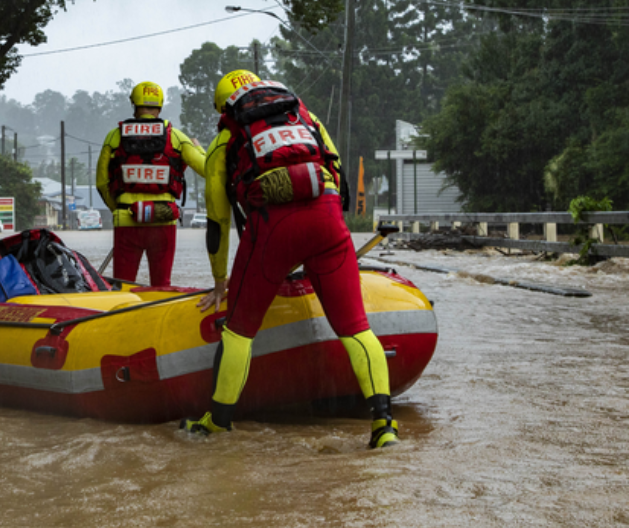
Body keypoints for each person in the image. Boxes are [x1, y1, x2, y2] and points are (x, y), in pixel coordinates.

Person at [179, 70, 400, 449]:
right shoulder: (305, 116)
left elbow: (217, 217)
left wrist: (220, 283)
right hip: (329, 223)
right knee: (356, 328)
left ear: (224, 106)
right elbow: (337, 171)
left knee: (238, 331)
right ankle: (383, 426)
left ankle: (218, 423)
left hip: (272, 231)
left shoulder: (226, 140)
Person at [95, 81, 206, 286]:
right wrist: (198, 149)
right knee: (162, 285)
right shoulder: (176, 136)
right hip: (163, 221)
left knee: (123, 285)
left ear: (134, 105)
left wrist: (117, 210)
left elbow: (101, 182)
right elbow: (208, 169)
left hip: (125, 219)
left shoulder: (115, 136)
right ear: (160, 106)